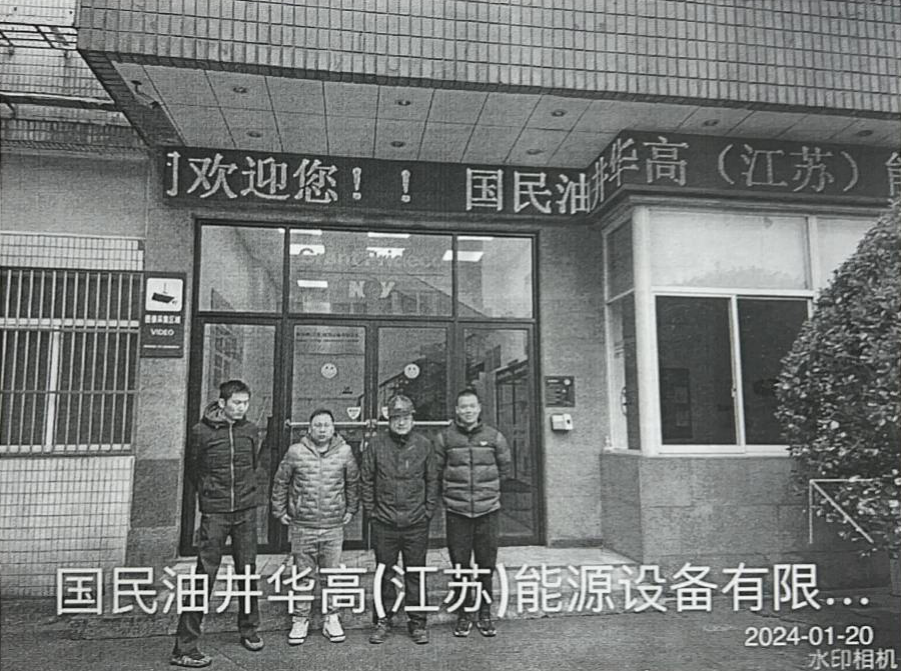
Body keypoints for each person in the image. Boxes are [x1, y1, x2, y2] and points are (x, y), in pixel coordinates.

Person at [171, 379, 263, 668]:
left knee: (247, 571)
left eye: (245, 403)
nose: (242, 407)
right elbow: (193, 469)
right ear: (222, 403)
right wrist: (209, 493)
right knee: (204, 575)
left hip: (245, 511)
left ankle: (249, 629)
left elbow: (254, 464)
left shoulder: (251, 430)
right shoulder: (201, 432)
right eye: (236, 402)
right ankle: (184, 647)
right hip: (216, 513)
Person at [271, 408, 360, 646]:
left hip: (333, 525)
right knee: (303, 575)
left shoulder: (344, 452)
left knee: (332, 575)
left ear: (333, 429)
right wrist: (279, 510)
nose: (322, 430)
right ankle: (300, 619)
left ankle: (332, 618)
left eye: (326, 425)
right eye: (317, 425)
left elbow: (352, 482)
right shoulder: (295, 451)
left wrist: (351, 509)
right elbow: (281, 481)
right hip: (303, 525)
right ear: (309, 428)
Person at [361, 394, 439, 645]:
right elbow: (366, 479)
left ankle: (418, 622)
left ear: (412, 418)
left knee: (415, 573)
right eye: (396, 417)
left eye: (405, 417)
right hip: (384, 522)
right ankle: (383, 620)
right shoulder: (376, 445)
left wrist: (428, 511)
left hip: (416, 522)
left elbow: (432, 480)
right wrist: (372, 512)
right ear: (389, 420)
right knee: (385, 574)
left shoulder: (424, 445)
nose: (401, 422)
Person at [435, 388, 511, 639]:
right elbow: (436, 472)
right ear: (457, 410)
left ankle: (485, 612)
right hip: (457, 512)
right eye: (463, 406)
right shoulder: (445, 438)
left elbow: (505, 470)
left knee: (486, 564)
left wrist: (488, 494)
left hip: (487, 511)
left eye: (472, 406)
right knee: (461, 565)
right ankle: (465, 613)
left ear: (479, 408)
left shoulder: (494, 437)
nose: (467, 410)